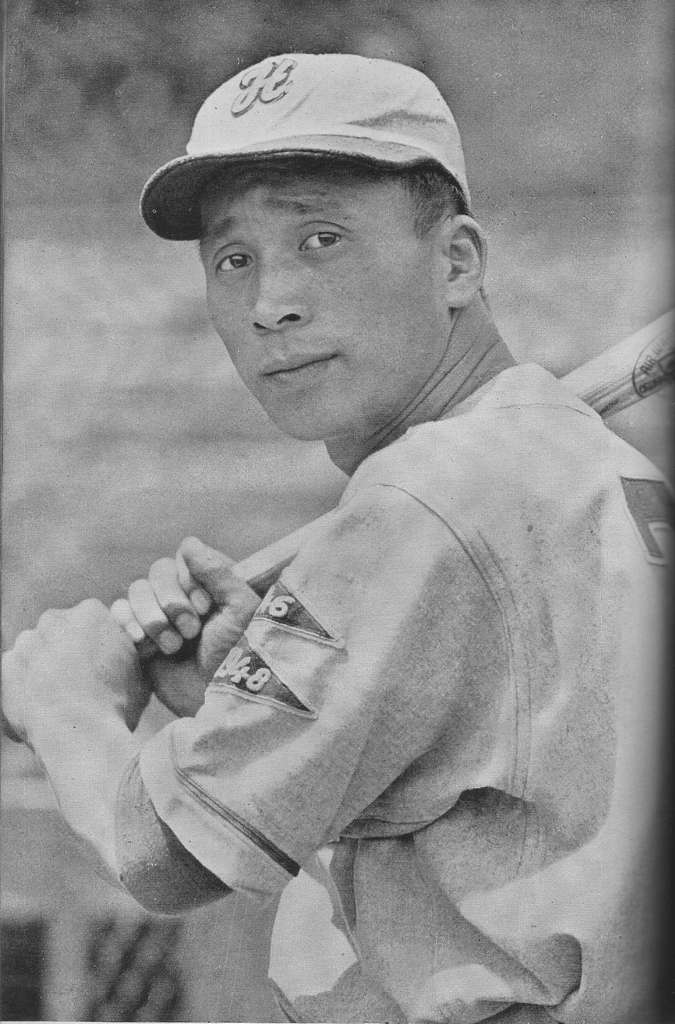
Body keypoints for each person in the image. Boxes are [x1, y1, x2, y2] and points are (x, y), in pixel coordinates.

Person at [2, 53, 671, 1023]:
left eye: (322, 238)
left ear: (457, 261)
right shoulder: (580, 471)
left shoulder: (426, 498)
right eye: (235, 259)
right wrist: (255, 679)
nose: (271, 300)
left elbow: (167, 852)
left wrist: (69, 702)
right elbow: (485, 838)